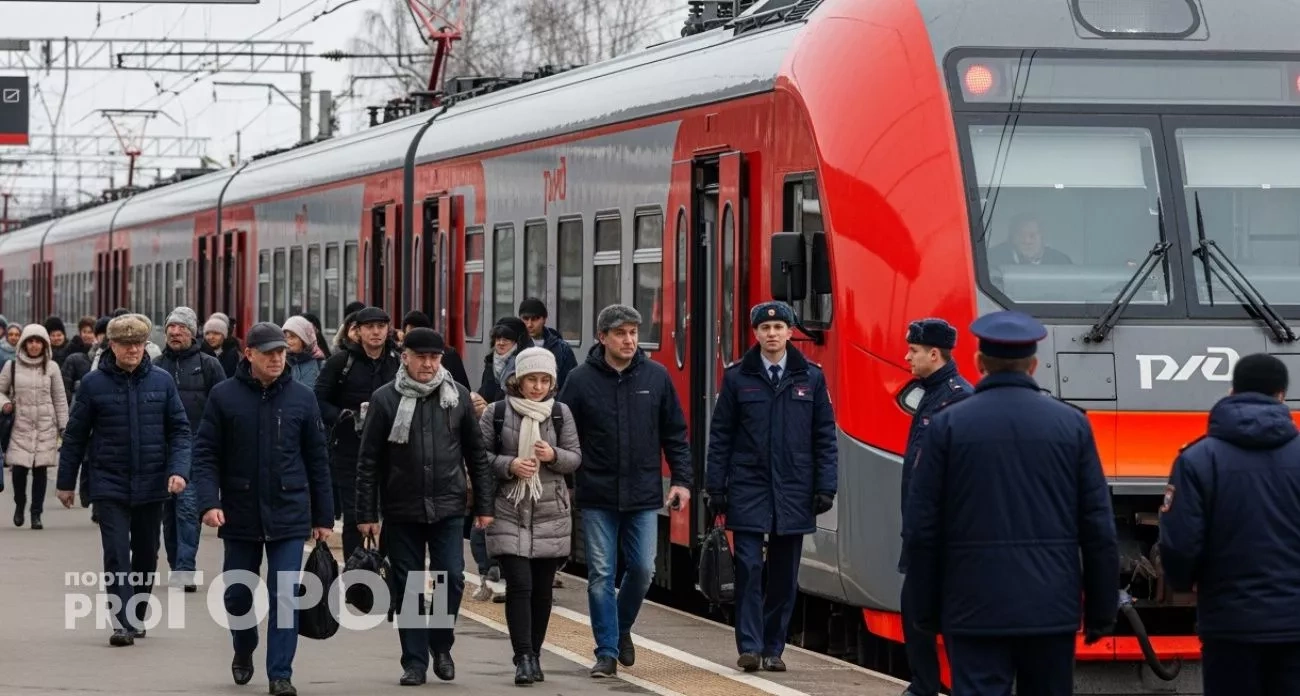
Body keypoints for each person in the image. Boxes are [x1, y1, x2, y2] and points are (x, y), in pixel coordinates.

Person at [903, 310, 1118, 695]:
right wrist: (1102, 608)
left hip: (971, 605)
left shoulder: (948, 425)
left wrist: (925, 607)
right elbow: (1098, 525)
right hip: (1051, 607)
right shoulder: (1072, 426)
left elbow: (923, 527)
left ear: (978, 363)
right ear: (1033, 365)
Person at [192, 322, 334, 696]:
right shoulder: (224, 396)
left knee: (285, 593)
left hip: (289, 511)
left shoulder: (303, 398)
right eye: (269, 352)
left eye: (281, 352)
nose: (276, 358)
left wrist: (323, 516)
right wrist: (208, 502)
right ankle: (244, 646)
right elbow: (205, 454)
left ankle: (280, 674)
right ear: (249, 354)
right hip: (239, 510)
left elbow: (317, 459)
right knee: (237, 593)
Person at [558, 304, 693, 678]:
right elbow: (565, 437)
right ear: (603, 338)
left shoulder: (657, 377)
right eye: (621, 333)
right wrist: (566, 485)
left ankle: (619, 628)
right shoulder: (580, 380)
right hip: (597, 492)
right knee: (601, 573)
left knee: (643, 568)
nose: (630, 340)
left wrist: (681, 480)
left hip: (644, 492)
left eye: (633, 333)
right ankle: (606, 652)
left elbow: (675, 435)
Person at [355, 327, 495, 686]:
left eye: (435, 358)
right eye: (422, 357)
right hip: (402, 506)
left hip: (448, 505)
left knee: (452, 576)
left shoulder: (458, 397)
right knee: (411, 584)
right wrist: (367, 514)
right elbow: (368, 461)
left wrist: (484, 504)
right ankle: (414, 662)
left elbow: (476, 456)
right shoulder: (385, 400)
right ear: (406, 357)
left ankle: (441, 644)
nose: (429, 365)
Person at [705, 301, 837, 672]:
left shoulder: (810, 377)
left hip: (794, 489)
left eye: (779, 328)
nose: (773, 334)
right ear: (756, 333)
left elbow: (824, 435)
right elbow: (721, 437)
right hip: (748, 485)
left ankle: (773, 647)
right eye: (765, 329)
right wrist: (716, 487)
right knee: (748, 567)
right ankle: (749, 646)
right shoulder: (736, 378)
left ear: (790, 331)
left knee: (783, 574)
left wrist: (825, 486)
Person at [1159, 353, 1300, 696]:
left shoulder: (1196, 459)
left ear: (1232, 390)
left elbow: (1179, 543)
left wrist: (1185, 583)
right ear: (1282, 394)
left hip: (1229, 623)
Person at [56, 313, 191, 646]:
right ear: (111, 345)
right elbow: (75, 436)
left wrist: (178, 470)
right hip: (108, 480)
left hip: (152, 480)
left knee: (146, 552)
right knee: (116, 552)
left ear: (146, 345)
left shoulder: (161, 382)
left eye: (138, 344)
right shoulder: (93, 384)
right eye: (126, 344)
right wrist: (66, 482)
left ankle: (138, 611)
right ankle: (123, 621)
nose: (133, 350)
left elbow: (180, 431)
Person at [479, 347, 581, 684]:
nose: (537, 387)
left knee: (541, 590)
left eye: (543, 380)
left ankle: (535, 653)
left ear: (552, 382)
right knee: (519, 585)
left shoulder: (560, 414)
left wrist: (553, 455)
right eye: (531, 380)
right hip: (509, 507)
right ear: (518, 380)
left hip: (550, 511)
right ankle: (522, 656)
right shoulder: (495, 413)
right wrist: (509, 465)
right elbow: (481, 459)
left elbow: (574, 458)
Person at [898, 318, 970, 696]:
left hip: (941, 535)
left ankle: (952, 686)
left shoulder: (957, 398)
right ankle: (924, 685)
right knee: (915, 612)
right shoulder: (931, 393)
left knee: (944, 614)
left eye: (913, 350)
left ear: (933, 353)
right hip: (922, 531)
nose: (907, 356)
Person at [315, 305, 400, 561]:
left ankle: (387, 573)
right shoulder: (341, 362)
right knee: (355, 515)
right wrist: (342, 415)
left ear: (388, 330)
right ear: (358, 331)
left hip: (393, 449)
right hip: (350, 448)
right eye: (369, 327)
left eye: (381, 327)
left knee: (394, 512)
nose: (376, 332)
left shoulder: (399, 361)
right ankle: (356, 573)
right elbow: (318, 401)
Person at [155, 306, 226, 592]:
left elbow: (222, 406)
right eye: (171, 327)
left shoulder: (208, 365)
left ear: (192, 332)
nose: (175, 332)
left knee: (187, 510)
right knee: (168, 514)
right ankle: (176, 564)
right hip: (162, 450)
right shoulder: (156, 364)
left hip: (197, 448)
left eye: (182, 328)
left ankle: (185, 568)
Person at [0, 324, 69, 530]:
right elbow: (0, 391)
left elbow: (59, 399)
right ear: (24, 343)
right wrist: (5, 404)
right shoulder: (11, 366)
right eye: (30, 341)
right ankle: (20, 504)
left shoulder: (52, 368)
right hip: (19, 426)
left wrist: (64, 427)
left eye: (38, 341)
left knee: (40, 472)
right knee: (19, 471)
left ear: (44, 344)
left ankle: (36, 513)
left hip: (45, 427)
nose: (34, 345)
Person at [517, 298, 578, 388]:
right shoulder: (515, 345)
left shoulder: (562, 349)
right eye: (525, 319)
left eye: (535, 319)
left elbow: (571, 383)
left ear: (544, 319)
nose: (529, 324)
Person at [401, 310, 471, 388]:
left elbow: (463, 389)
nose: (427, 364)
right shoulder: (397, 356)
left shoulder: (449, 355)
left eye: (434, 357)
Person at [987, 214, 1072, 266]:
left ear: (1042, 236)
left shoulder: (1060, 261)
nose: (1027, 241)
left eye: (1032, 235)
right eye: (1021, 235)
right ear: (1012, 237)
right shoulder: (992, 259)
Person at [282, 315, 324, 389]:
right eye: (285, 336)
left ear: (304, 339)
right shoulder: (280, 362)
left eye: (292, 337)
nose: (287, 341)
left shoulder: (320, 365)